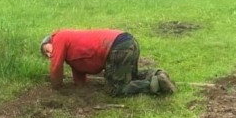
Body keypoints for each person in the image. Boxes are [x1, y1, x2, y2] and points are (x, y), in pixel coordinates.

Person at [40, 29, 175, 96]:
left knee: (115, 89)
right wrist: (80, 86)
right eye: (46, 55)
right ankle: (157, 74)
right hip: (127, 41)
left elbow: (56, 67)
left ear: (49, 41)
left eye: (46, 50)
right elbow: (79, 70)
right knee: (130, 77)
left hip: (117, 48)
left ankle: (153, 85)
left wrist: (55, 88)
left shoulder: (59, 38)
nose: (49, 55)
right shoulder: (71, 47)